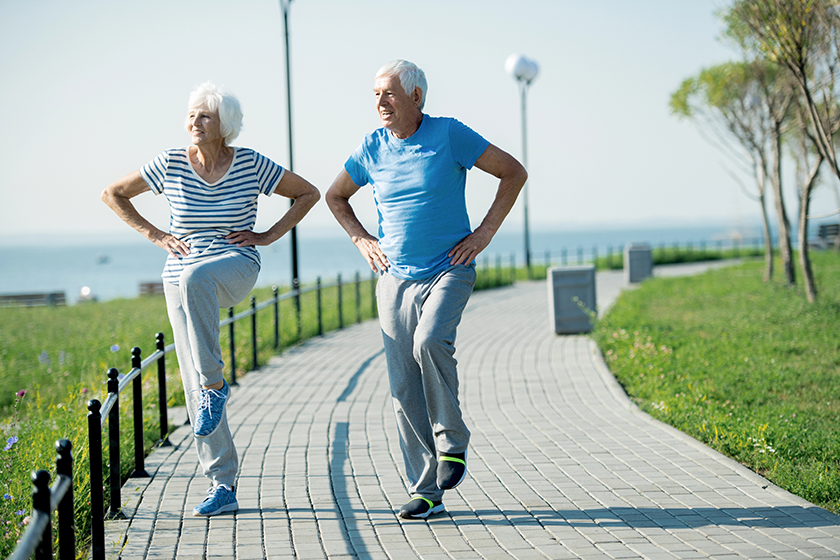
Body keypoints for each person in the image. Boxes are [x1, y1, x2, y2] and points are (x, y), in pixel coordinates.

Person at [101, 82, 320, 517]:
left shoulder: (251, 164)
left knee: (199, 282)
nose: (193, 122)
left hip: (234, 264)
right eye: (190, 115)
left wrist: (267, 236)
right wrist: (157, 235)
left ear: (226, 124)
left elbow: (308, 193)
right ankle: (223, 483)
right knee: (193, 381)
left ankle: (216, 385)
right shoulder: (169, 164)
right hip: (178, 276)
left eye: (204, 116)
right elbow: (113, 194)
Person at [326, 60, 527, 519]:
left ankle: (452, 442)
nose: (381, 103)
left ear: (416, 97)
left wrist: (484, 233)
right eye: (376, 94)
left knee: (430, 340)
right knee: (403, 387)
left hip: (449, 268)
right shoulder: (371, 147)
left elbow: (513, 172)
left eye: (390, 93)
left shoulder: (449, 134)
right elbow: (335, 196)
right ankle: (426, 490)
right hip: (393, 276)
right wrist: (362, 239)